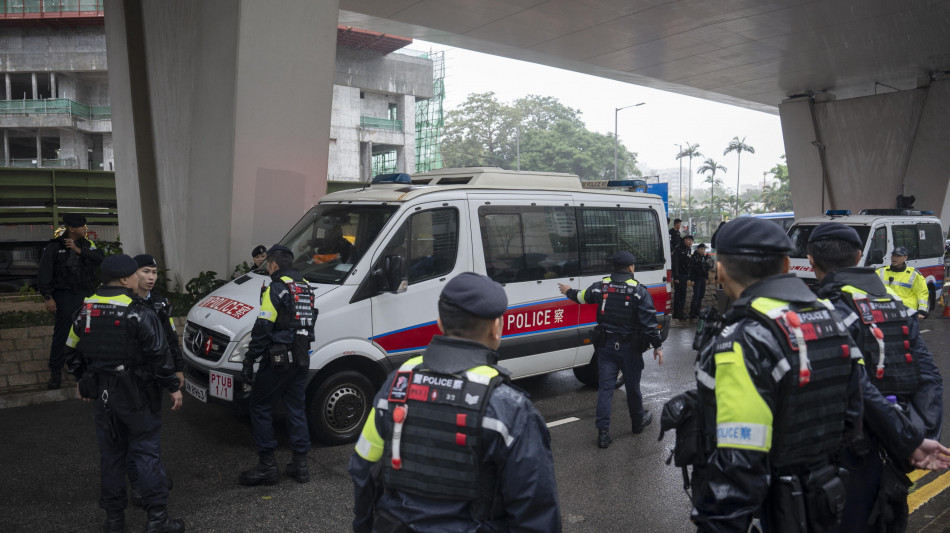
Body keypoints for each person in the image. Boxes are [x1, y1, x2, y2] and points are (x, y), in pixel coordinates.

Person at [687, 217, 864, 532]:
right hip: (826, 498)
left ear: (720, 268)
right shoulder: (832, 318)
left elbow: (739, 466)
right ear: (786, 264)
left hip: (779, 508)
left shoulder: (743, 339)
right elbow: (852, 415)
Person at [349, 272, 561, 532]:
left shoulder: (397, 383)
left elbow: (363, 467)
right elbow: (535, 514)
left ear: (439, 322)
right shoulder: (509, 407)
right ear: (496, 328)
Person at [807, 222, 948, 532]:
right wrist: (914, 439)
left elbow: (843, 385)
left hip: (835, 459)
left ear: (811, 261)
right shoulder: (897, 310)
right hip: (888, 459)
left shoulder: (818, 313)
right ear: (859, 256)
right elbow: (930, 379)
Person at [64, 254, 184, 533]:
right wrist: (173, 386)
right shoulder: (138, 310)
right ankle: (157, 520)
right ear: (124, 279)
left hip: (103, 396)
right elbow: (159, 353)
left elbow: (71, 348)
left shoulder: (86, 309)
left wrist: (84, 379)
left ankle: (114, 522)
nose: (139, 279)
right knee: (146, 453)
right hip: (137, 394)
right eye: (135, 274)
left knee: (111, 456)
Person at [558, 251, 663, 448]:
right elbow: (649, 323)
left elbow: (581, 297)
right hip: (630, 348)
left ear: (614, 268)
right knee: (632, 387)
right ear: (631, 268)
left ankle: (603, 433)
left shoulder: (601, 287)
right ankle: (638, 422)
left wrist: (568, 291)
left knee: (606, 389)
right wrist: (657, 346)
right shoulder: (639, 291)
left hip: (605, 347)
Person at [239, 244, 316, 486]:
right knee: (296, 408)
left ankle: (267, 467)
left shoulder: (277, 288)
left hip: (278, 360)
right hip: (301, 359)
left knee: (260, 406)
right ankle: (300, 466)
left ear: (273, 264)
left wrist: (251, 358)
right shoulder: (305, 287)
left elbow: (263, 327)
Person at [127, 254, 183, 507]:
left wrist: (178, 369)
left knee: (151, 431)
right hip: (129, 378)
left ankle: (153, 478)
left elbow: (170, 337)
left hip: (155, 376)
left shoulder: (160, 303)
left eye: (154, 272)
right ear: (132, 274)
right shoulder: (124, 303)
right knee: (133, 433)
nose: (150, 277)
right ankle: (138, 483)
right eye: (145, 271)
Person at [37, 213, 104, 389]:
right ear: (71, 228)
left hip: (85, 295)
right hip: (64, 296)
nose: (85, 228)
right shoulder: (54, 247)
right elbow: (44, 274)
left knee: (86, 332)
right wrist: (48, 297)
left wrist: (78, 250)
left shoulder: (87, 244)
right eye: (82, 226)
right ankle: (55, 371)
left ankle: (82, 369)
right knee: (62, 334)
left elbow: (101, 260)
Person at [877, 246, 930, 318]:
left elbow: (922, 293)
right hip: (886, 312)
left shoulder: (914, 274)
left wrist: (922, 311)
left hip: (907, 313)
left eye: (898, 256)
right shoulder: (880, 271)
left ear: (905, 258)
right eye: (893, 255)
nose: (894, 258)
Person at [672, 234, 694, 319]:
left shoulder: (688, 249)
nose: (690, 242)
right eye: (689, 240)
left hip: (685, 275)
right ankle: (677, 313)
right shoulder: (678, 249)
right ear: (684, 240)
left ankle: (681, 311)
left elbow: (689, 264)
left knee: (683, 295)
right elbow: (675, 264)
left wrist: (689, 277)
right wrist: (676, 277)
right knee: (678, 295)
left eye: (691, 241)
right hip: (679, 275)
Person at [688, 242, 711, 319]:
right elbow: (692, 269)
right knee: (696, 295)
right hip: (696, 278)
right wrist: (691, 279)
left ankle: (697, 311)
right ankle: (692, 312)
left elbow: (706, 269)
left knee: (701, 295)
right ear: (698, 249)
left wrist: (706, 278)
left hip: (702, 278)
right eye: (701, 249)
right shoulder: (694, 257)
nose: (703, 250)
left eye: (704, 249)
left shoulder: (704, 257)